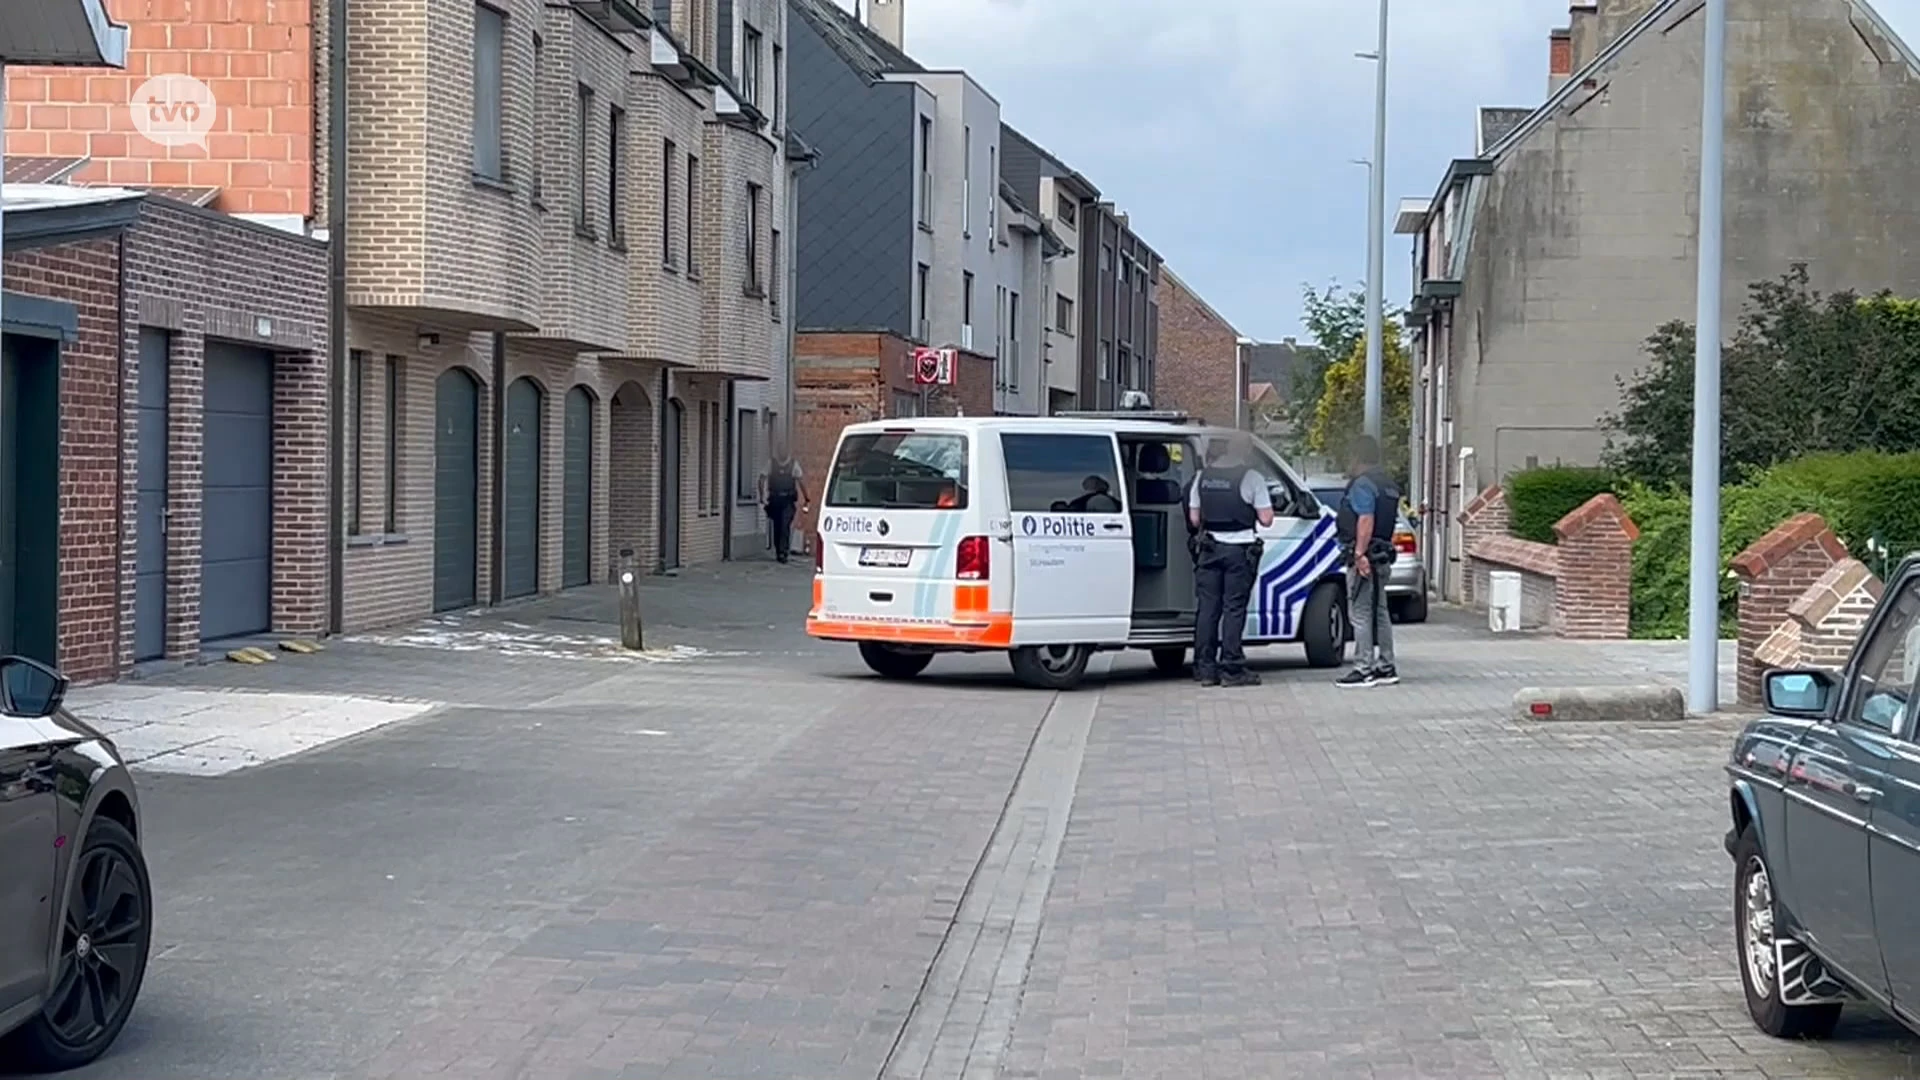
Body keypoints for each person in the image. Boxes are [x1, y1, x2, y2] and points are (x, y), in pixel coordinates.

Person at [1187, 432, 1274, 688]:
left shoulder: (1203, 477)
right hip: (1239, 550)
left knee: (1207, 609)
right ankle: (1232, 668)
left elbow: (1194, 519)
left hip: (1209, 549)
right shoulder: (1251, 477)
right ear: (1244, 452)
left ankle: (1205, 669)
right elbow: (1267, 519)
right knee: (1233, 609)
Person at [1336, 434, 1401, 687]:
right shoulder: (1388, 485)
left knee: (1361, 613)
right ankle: (1386, 665)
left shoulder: (1362, 485)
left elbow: (1365, 520)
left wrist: (1359, 554)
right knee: (1381, 611)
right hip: (1383, 553)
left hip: (1367, 555)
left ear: (1356, 457)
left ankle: (1363, 668)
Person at [759, 436, 810, 564]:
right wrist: (762, 496)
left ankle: (784, 552)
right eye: (780, 450)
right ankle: (778, 550)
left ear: (787, 451)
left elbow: (801, 481)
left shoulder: (793, 464)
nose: (782, 452)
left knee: (785, 524)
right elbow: (762, 478)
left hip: (788, 500)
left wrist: (806, 497)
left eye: (784, 450)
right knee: (777, 526)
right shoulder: (772, 463)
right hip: (775, 500)